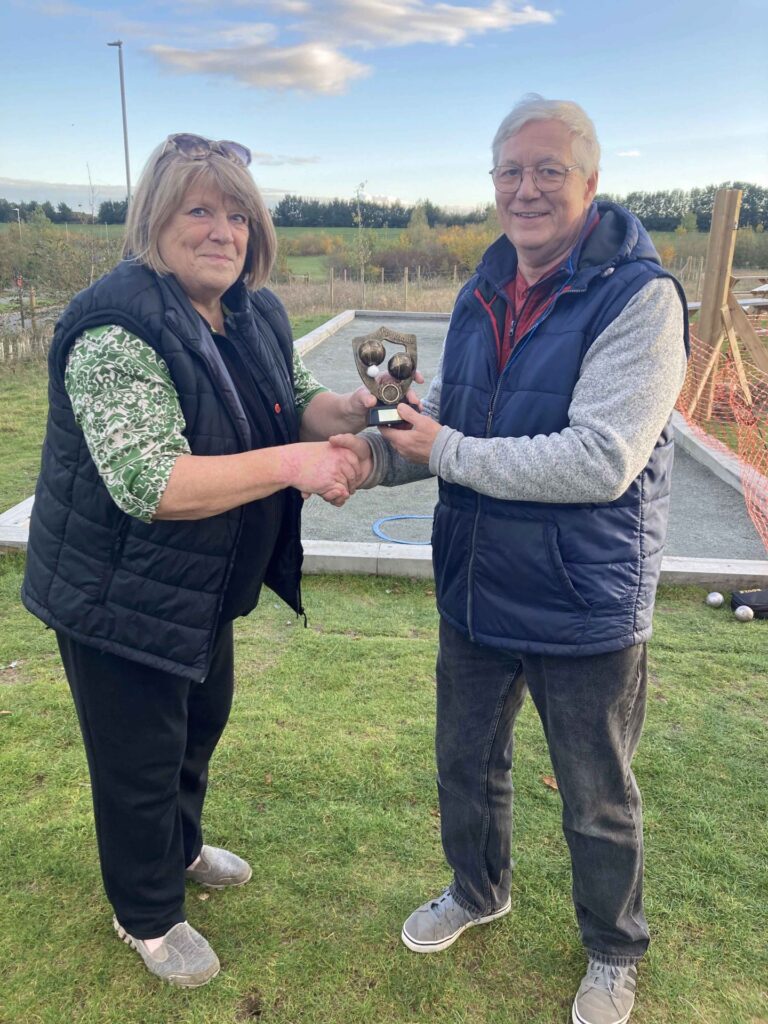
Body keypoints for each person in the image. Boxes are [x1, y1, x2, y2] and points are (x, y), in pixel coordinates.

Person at [332, 96, 689, 1024]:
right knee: (466, 765)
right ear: (492, 184)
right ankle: (478, 890)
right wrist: (364, 459)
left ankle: (613, 950)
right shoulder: (485, 284)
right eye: (510, 172)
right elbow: (450, 406)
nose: (526, 189)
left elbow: (599, 459)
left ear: (591, 182)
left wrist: (439, 446)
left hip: (585, 597)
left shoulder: (640, 299)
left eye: (548, 170)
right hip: (478, 583)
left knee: (596, 797)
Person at [21, 132, 375, 988]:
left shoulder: (252, 311)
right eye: (200, 211)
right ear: (157, 219)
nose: (223, 231)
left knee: (194, 728)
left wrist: (357, 410)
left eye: (238, 216)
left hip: (198, 589)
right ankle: (145, 915)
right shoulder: (114, 324)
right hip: (117, 593)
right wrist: (299, 466)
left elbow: (297, 402)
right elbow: (153, 481)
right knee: (138, 756)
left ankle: (174, 856)